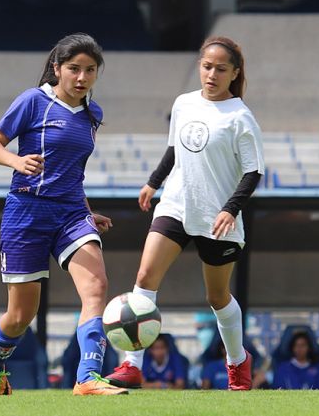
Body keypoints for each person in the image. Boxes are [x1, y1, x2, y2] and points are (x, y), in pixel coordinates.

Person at [106, 36, 264, 391]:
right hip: (176, 206)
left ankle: (238, 361)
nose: (212, 74)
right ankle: (132, 365)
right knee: (145, 276)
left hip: (217, 218)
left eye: (220, 69)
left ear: (234, 73)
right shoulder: (184, 103)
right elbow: (175, 149)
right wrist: (153, 183)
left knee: (217, 297)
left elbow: (254, 172)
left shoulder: (240, 117)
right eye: (207, 67)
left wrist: (229, 210)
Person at [0, 33, 126, 396]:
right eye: (74, 69)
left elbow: (72, 171)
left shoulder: (94, 113)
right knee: (20, 318)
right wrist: (17, 160)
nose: (82, 77)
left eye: (90, 70)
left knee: (96, 287)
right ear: (57, 69)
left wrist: (90, 212)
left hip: (72, 212)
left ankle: (87, 378)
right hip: (27, 211)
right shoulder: (32, 101)